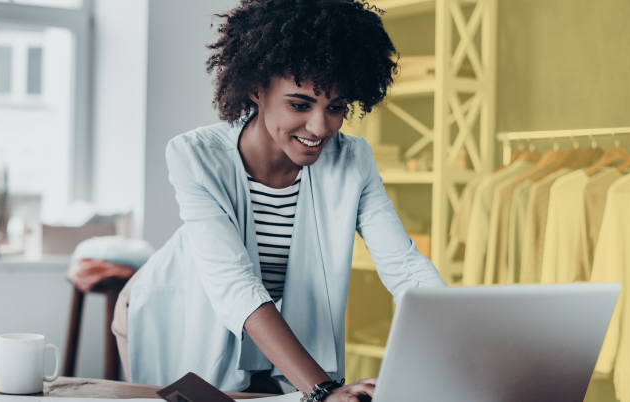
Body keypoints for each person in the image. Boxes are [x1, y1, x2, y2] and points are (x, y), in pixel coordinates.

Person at [111, 0, 447, 400]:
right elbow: (236, 284)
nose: (320, 127)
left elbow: (404, 267)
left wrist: (464, 345)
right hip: (174, 310)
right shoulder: (195, 156)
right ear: (257, 89)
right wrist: (323, 390)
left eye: (336, 107)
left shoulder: (352, 161)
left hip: (261, 323)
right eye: (299, 104)